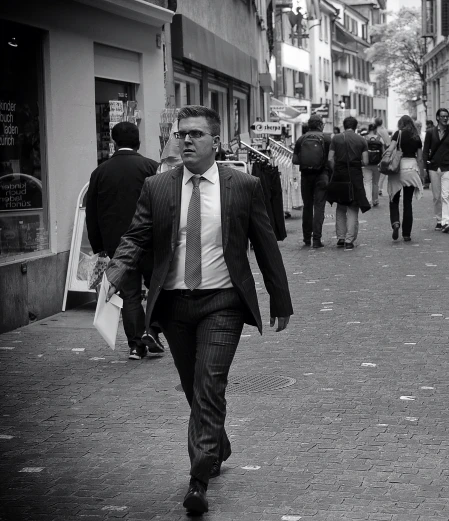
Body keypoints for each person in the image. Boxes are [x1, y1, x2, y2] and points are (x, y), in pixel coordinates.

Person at [103, 105, 293, 514]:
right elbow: (137, 235)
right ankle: (217, 444)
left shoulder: (242, 185)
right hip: (173, 304)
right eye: (181, 134)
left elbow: (264, 243)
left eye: (196, 134)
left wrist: (280, 298)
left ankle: (197, 480)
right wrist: (115, 273)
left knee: (209, 385)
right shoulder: (158, 186)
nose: (186, 141)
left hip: (222, 301)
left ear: (216, 142)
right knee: (194, 388)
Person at [85, 121, 164, 360]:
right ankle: (152, 330)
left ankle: (135, 346)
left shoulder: (100, 172)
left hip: (118, 246)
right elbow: (164, 205)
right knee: (159, 289)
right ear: (138, 142)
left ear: (113, 142)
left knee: (129, 295)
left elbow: (92, 213)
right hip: (151, 242)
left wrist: (99, 247)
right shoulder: (151, 167)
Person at [327, 116, 370, 250]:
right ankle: (349, 240)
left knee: (340, 205)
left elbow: (330, 158)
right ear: (355, 126)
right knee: (353, 206)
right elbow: (366, 161)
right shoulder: (362, 140)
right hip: (355, 175)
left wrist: (336, 169)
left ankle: (340, 237)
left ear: (344, 126)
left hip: (340, 174)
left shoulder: (336, 138)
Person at [293, 115, 331, 248]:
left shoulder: (301, 139)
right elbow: (331, 159)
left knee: (307, 207)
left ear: (309, 125)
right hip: (322, 175)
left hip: (306, 176)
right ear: (321, 125)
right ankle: (316, 239)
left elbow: (295, 160)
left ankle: (306, 238)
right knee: (319, 207)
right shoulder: (326, 138)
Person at [387, 115, 425, 242]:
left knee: (394, 199)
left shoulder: (398, 134)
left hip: (398, 169)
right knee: (408, 202)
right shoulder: (416, 137)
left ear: (400, 123)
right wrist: (422, 174)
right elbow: (420, 158)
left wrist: (385, 159)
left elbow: (391, 149)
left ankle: (396, 223)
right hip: (411, 169)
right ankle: (407, 234)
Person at [423, 108, 449, 233]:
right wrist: (424, 168)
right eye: (442, 116)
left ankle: (446, 222)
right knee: (437, 196)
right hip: (433, 167)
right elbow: (425, 151)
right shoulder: (430, 132)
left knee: (446, 195)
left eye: (446, 116)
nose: (445, 118)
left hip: (448, 167)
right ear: (437, 118)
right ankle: (439, 220)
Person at [364, 123, 384, 207]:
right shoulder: (380, 139)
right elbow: (383, 152)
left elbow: (362, 151)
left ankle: (368, 200)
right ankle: (375, 200)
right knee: (375, 182)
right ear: (376, 129)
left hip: (367, 164)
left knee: (367, 182)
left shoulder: (364, 139)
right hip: (377, 164)